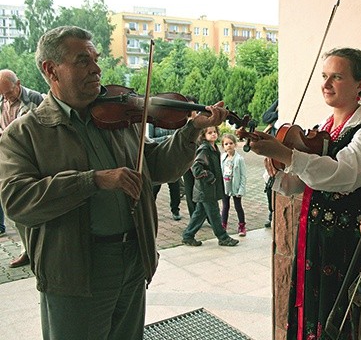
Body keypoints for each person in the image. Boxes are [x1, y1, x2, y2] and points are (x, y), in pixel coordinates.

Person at [0, 26, 229, 340]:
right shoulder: (24, 133)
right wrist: (93, 180)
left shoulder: (118, 119)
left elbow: (157, 166)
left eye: (95, 59)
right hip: (76, 272)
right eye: (83, 61)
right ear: (51, 70)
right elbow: (17, 200)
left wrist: (191, 131)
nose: (97, 69)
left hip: (133, 260)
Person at [248, 47, 361, 339]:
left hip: (346, 244)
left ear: (359, 84)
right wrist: (278, 168)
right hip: (313, 236)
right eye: (324, 76)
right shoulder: (321, 130)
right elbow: (301, 184)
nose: (326, 84)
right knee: (308, 313)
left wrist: (289, 157)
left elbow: (342, 175)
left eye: (336, 77)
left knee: (337, 320)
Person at [0, 68, 44, 267]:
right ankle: (27, 248)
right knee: (14, 208)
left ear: (18, 84)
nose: (7, 97)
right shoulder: (1, 103)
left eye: (9, 92)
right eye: (3, 94)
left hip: (31, 160)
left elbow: (43, 131)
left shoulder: (35, 99)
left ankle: (36, 251)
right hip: (9, 159)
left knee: (30, 206)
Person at [182, 126, 239, 247]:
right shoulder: (204, 149)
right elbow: (196, 167)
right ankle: (223, 237)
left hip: (208, 188)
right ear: (204, 135)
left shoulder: (213, 148)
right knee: (214, 213)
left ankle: (188, 235)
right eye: (209, 133)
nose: (213, 134)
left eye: (214, 132)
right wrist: (209, 177)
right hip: (206, 188)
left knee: (200, 213)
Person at [147, 123, 183, 220]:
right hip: (158, 158)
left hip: (172, 158)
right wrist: (167, 138)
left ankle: (175, 210)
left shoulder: (174, 120)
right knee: (155, 187)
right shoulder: (152, 122)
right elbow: (150, 139)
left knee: (175, 187)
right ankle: (149, 210)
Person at [220, 133, 248, 236]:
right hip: (225, 186)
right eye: (226, 144)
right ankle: (223, 226)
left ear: (235, 144)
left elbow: (243, 176)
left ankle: (242, 226)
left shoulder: (239, 159)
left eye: (231, 143)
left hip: (235, 187)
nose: (229, 145)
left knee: (238, 206)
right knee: (225, 206)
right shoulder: (223, 158)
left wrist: (241, 189)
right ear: (223, 146)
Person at [261, 99, 278, 228]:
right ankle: (271, 214)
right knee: (269, 187)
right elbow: (265, 116)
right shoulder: (279, 102)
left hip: (281, 151)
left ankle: (274, 214)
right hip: (272, 154)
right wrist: (278, 111)